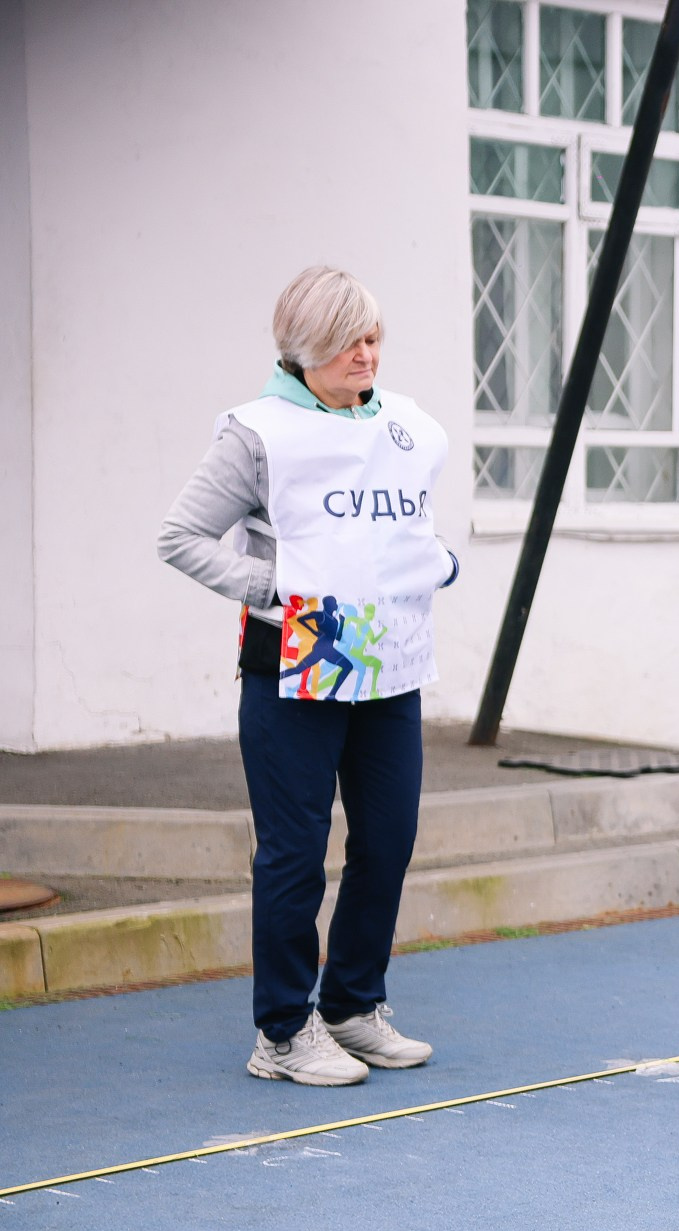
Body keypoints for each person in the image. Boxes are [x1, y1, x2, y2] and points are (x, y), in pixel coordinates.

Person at [157, 265, 457, 1086]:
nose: (367, 353)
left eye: (373, 337)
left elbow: (408, 525)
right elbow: (181, 536)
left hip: (389, 663)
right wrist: (272, 592)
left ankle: (353, 1007)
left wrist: (441, 563)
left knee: (388, 839)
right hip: (296, 663)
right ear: (304, 349)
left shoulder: (406, 424)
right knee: (294, 852)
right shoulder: (255, 434)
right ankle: (283, 1031)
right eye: (349, 341)